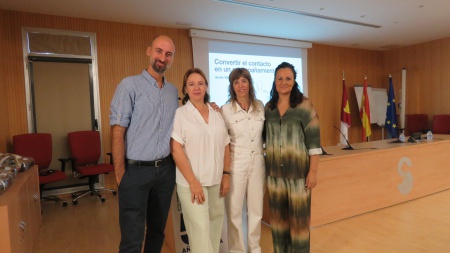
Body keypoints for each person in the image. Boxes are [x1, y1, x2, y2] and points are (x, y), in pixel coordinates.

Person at [109, 35, 178, 253]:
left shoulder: (173, 91)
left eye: (168, 54)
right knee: (132, 238)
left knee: (157, 232)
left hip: (166, 172)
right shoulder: (129, 86)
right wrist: (120, 175)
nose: (163, 58)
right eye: (159, 51)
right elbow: (118, 132)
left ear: (172, 59)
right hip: (135, 173)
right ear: (149, 51)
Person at [170, 68, 231, 253]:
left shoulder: (216, 112)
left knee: (214, 228)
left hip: (215, 181)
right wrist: (193, 182)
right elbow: (176, 149)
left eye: (200, 83)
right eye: (191, 84)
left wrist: (226, 174)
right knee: (199, 231)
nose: (196, 88)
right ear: (185, 89)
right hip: (192, 184)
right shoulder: (181, 113)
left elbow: (225, 145)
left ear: (206, 86)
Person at [264, 62, 322, 253]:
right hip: (274, 176)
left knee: (299, 225)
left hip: (299, 175)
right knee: (279, 224)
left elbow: (314, 143)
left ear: (294, 80)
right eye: (280, 78)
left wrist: (312, 171)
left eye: (288, 78)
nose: (284, 82)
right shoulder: (268, 108)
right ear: (274, 81)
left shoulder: (304, 106)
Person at [220, 68, 265, 253]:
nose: (241, 85)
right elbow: (222, 142)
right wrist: (225, 173)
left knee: (256, 212)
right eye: (236, 82)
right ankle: (237, 250)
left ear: (249, 83)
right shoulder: (225, 109)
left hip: (258, 163)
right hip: (236, 164)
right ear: (232, 86)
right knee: (234, 213)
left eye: (244, 81)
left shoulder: (260, 106)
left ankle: (255, 249)